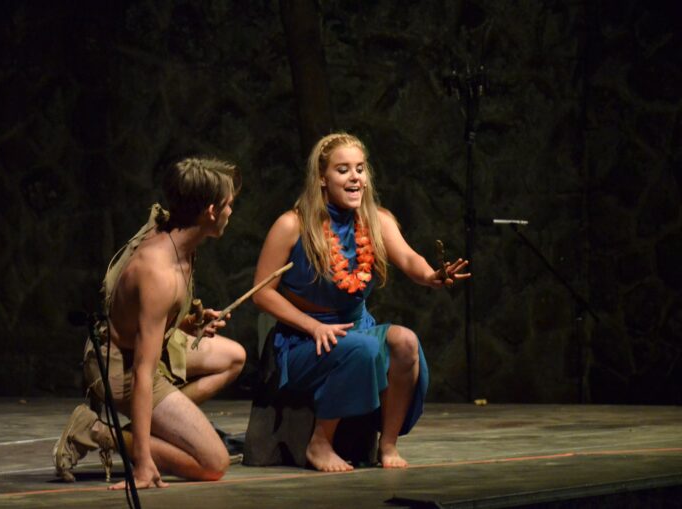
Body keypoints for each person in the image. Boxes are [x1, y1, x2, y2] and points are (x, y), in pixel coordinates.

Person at [252, 132, 470, 472]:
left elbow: (409, 259)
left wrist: (431, 275)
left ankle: (388, 444)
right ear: (322, 178)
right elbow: (261, 292)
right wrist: (312, 326)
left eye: (360, 168)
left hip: (357, 329)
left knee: (405, 342)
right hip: (303, 340)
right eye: (343, 170)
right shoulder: (292, 225)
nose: (355, 177)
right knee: (363, 349)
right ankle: (319, 444)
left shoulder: (376, 220)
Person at [53, 157, 247, 489]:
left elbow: (141, 318)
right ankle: (100, 431)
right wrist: (143, 463)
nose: (232, 211)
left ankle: (161, 422)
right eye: (229, 204)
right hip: (120, 368)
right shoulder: (159, 272)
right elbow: (143, 372)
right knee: (214, 463)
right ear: (211, 211)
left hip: (145, 349)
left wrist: (185, 323)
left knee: (234, 357)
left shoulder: (180, 238)